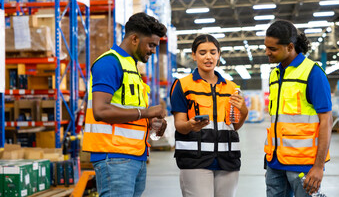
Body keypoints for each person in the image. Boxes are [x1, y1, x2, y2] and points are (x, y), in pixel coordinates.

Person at [82, 12, 168, 197]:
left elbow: (127, 111)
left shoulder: (131, 68)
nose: (153, 51)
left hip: (133, 155)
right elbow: (101, 110)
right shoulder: (109, 63)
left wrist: (150, 123)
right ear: (135, 38)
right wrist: (146, 112)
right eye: (151, 45)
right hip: (114, 156)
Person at [170, 34, 248, 197]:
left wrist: (244, 111)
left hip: (227, 160)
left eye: (213, 52)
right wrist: (190, 125)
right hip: (195, 160)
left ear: (219, 55)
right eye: (202, 52)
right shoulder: (182, 85)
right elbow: (179, 125)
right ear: (194, 55)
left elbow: (233, 126)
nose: (208, 57)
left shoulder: (231, 87)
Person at [263, 20, 332, 197]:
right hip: (275, 164)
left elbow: (326, 121)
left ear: (290, 47)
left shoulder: (313, 73)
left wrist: (318, 166)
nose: (267, 52)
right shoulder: (274, 74)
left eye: (272, 49)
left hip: (304, 167)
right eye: (266, 47)